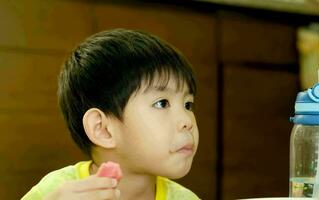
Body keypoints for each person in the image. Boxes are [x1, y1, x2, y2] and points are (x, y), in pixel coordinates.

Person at [22, 28, 200, 200]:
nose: (187, 121)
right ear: (102, 129)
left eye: (187, 104)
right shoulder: (55, 193)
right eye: (162, 103)